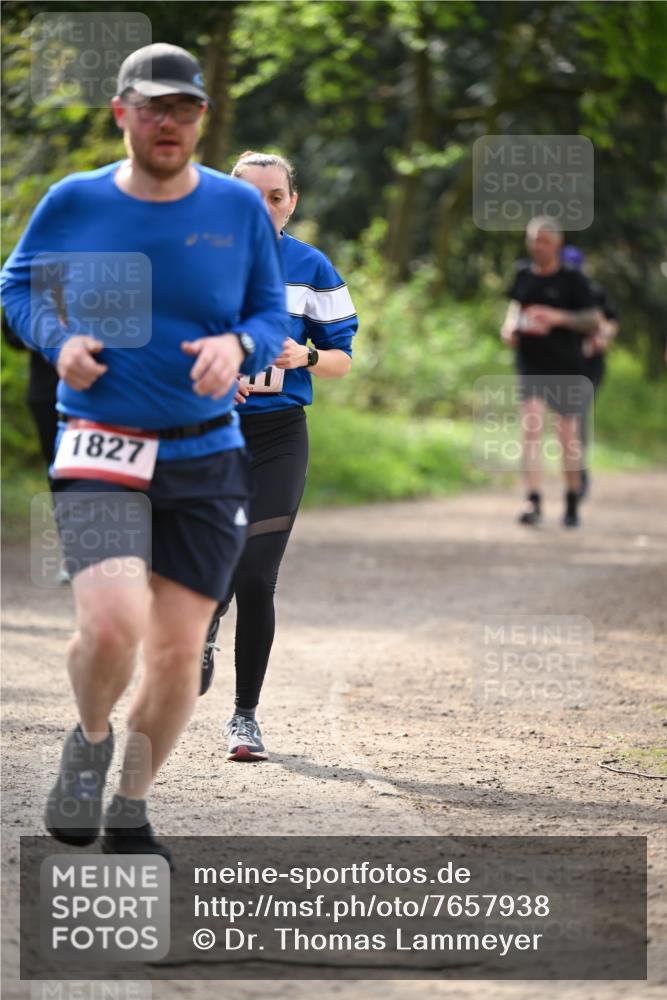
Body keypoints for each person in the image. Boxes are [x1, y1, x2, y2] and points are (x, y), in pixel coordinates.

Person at [0, 44, 288, 863]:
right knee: (114, 622)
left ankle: (129, 802)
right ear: (121, 112)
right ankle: (89, 741)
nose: (170, 122)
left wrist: (240, 345)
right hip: (100, 443)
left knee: (172, 655)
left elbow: (270, 314)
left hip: (207, 454)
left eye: (186, 109)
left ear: (202, 118)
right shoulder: (74, 201)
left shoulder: (235, 209)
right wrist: (56, 341)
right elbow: (16, 286)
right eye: (154, 107)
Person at [199, 151, 357, 763]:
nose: (264, 207)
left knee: (257, 574)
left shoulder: (310, 267)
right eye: (251, 195)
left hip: (280, 436)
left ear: (291, 202)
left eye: (275, 196)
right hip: (209, 434)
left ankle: (244, 718)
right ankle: (203, 625)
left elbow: (342, 357)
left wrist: (307, 358)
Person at [500, 217, 598, 528]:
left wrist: (556, 317)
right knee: (531, 429)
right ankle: (533, 500)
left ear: (556, 243)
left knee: (567, 438)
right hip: (531, 363)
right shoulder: (522, 273)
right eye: (532, 240)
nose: (536, 247)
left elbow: (592, 320)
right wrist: (509, 327)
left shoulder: (572, 279)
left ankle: (571, 499)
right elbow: (515, 306)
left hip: (566, 366)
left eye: (543, 241)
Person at [560, 245, 619, 498]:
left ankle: (579, 473)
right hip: (559, 364)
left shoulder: (594, 292)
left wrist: (602, 337)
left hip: (589, 366)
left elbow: (610, 321)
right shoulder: (553, 291)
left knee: (577, 415)